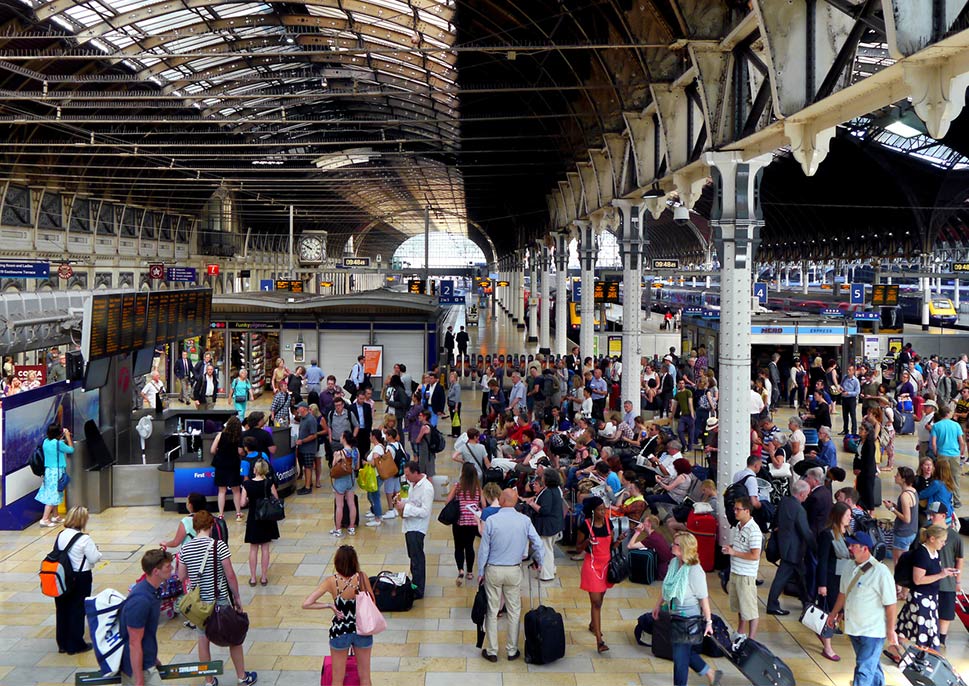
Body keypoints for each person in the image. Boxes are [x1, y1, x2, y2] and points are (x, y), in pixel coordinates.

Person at [177, 511, 256, 686]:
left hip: (199, 605)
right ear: (211, 525)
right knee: (234, 638)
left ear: (195, 527)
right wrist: (236, 598)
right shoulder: (218, 546)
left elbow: (181, 576)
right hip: (220, 600)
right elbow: (230, 575)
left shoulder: (185, 549)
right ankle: (242, 677)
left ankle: (209, 680)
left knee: (203, 640)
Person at [477, 488, 544, 662]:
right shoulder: (525, 520)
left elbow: (484, 549)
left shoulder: (491, 520)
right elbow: (537, 542)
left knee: (492, 610)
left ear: (501, 499)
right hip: (514, 569)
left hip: (493, 569)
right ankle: (512, 650)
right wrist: (539, 561)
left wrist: (480, 571)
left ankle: (492, 651)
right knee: (514, 610)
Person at [824, 531, 898, 686]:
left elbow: (891, 604)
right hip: (854, 629)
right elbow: (843, 594)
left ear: (865, 549)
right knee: (871, 665)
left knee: (864, 669)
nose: (849, 548)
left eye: (853, 545)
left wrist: (891, 630)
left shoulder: (880, 572)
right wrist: (833, 613)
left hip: (873, 632)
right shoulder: (849, 567)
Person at [653, 532, 723, 686]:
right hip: (675, 615)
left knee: (680, 657)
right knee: (683, 652)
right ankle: (711, 673)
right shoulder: (673, 563)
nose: (673, 545)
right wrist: (658, 605)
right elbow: (666, 587)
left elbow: (703, 598)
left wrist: (709, 622)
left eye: (676, 544)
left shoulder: (695, 571)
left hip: (688, 619)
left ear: (684, 548)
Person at [302, 545, 376, 686]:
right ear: (355, 561)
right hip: (362, 629)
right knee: (365, 676)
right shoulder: (362, 577)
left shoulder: (331, 582)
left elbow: (307, 603)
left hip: (340, 631)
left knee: (337, 678)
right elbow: (373, 602)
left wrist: (329, 605)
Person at [892, 524, 954, 656]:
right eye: (942, 541)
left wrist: (944, 573)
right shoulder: (922, 555)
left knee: (908, 626)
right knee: (921, 631)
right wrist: (941, 575)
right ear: (932, 539)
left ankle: (897, 649)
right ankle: (919, 655)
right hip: (921, 598)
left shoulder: (935, 553)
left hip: (930, 598)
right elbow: (918, 580)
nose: (943, 544)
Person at [51, 506, 101, 654]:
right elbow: (93, 557)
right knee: (77, 610)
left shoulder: (61, 534)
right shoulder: (84, 539)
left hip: (61, 576)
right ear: (83, 520)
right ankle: (76, 644)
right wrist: (99, 553)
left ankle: (62, 643)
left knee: (62, 608)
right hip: (80, 577)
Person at [120, 549, 174, 686]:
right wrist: (139, 680)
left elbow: (146, 634)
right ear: (156, 571)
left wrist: (153, 658)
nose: (172, 568)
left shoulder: (153, 591)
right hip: (138, 668)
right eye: (168, 566)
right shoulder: (141, 600)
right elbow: (134, 642)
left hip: (147, 661)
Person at [575, 496, 619, 653]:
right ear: (593, 511)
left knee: (600, 599)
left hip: (606, 565)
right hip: (592, 566)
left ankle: (593, 624)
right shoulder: (585, 526)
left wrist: (619, 541)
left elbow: (611, 546)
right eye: (600, 509)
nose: (604, 512)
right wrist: (587, 541)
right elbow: (578, 548)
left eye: (604, 509)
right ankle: (599, 641)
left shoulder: (609, 523)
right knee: (596, 602)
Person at [766, 480, 815, 615]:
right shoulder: (799, 509)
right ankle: (772, 604)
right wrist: (816, 548)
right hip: (794, 550)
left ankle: (806, 600)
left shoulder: (784, 502)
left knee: (800, 576)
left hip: (785, 546)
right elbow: (806, 532)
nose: (807, 496)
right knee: (782, 577)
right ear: (801, 494)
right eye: (806, 494)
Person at [923, 502, 964, 646]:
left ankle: (941, 638)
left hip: (947, 582)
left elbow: (959, 559)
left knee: (945, 612)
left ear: (943, 516)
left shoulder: (954, 536)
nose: (931, 517)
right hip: (929, 579)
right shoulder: (926, 532)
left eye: (934, 515)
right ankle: (929, 636)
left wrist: (958, 581)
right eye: (930, 514)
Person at [816, 502, 852, 662]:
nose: (850, 518)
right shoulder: (828, 534)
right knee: (830, 611)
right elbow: (822, 561)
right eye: (847, 515)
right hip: (831, 579)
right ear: (838, 516)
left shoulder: (847, 533)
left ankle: (825, 633)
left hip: (844, 578)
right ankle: (827, 646)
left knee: (840, 611)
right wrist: (822, 584)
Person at [722, 496, 761, 640]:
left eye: (738, 509)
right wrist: (730, 548)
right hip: (736, 571)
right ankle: (740, 631)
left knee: (750, 610)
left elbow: (755, 555)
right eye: (734, 509)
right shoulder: (739, 526)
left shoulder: (754, 530)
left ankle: (751, 639)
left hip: (746, 575)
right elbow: (741, 547)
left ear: (747, 510)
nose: (735, 512)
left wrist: (734, 552)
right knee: (739, 606)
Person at [394, 461, 434, 599]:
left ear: (416, 473)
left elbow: (425, 511)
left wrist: (405, 508)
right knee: (412, 557)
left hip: (418, 527)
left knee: (417, 559)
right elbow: (407, 498)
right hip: (409, 525)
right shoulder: (410, 484)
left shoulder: (427, 488)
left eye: (408, 474)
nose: (406, 477)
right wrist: (400, 502)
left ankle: (418, 589)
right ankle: (414, 584)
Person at [239, 459, 280, 586]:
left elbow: (242, 503)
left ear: (255, 470)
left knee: (253, 549)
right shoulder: (269, 483)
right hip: (267, 518)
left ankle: (252, 577)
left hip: (253, 518)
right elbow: (276, 498)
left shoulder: (247, 484)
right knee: (265, 548)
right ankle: (263, 577)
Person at [522, 469, 563, 582]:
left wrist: (532, 503)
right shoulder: (555, 490)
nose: (542, 477)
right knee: (549, 549)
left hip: (547, 526)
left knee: (545, 550)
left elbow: (544, 510)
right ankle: (551, 569)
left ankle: (546, 574)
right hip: (555, 524)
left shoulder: (548, 492)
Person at [446, 462, 483, 586]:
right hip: (472, 522)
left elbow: (447, 501)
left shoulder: (458, 486)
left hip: (459, 522)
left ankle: (461, 569)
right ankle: (470, 572)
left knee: (458, 547)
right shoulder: (478, 488)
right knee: (469, 546)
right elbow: (483, 504)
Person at [36, 422, 73, 527]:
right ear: (59, 433)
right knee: (52, 496)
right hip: (56, 471)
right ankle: (45, 519)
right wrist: (68, 436)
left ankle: (55, 515)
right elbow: (71, 449)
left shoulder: (46, 442)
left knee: (56, 493)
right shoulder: (58, 444)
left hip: (48, 471)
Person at [931, 404, 965, 507]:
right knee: (955, 478)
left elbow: (933, 443)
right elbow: (961, 442)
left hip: (942, 454)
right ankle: (957, 500)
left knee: (942, 477)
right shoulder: (956, 425)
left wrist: (936, 452)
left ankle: (943, 498)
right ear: (948, 414)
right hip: (955, 454)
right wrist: (961, 453)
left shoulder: (936, 426)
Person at [211, 416, 244, 520]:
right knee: (236, 490)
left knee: (222, 491)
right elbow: (240, 452)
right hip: (233, 465)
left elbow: (212, 450)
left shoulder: (220, 435)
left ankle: (221, 514)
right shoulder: (239, 437)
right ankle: (238, 513)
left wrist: (219, 452)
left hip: (221, 464)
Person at [885, 466, 919, 560]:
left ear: (903, 479)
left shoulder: (904, 496)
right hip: (912, 531)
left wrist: (891, 509)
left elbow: (907, 519)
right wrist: (896, 506)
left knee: (898, 563)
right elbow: (909, 509)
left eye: (897, 475)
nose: (895, 476)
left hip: (903, 533)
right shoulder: (913, 491)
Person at [329, 431, 359, 538]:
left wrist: (334, 457)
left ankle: (338, 529)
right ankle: (351, 527)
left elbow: (333, 466)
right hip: (351, 479)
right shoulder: (356, 451)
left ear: (344, 438)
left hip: (340, 480)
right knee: (351, 504)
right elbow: (356, 467)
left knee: (339, 505)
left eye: (341, 436)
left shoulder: (339, 453)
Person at [294, 402, 319, 495]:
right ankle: (308, 484)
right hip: (303, 448)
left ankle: (308, 487)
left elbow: (314, 435)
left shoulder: (310, 419)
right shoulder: (303, 418)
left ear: (304, 409)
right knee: (306, 467)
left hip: (309, 448)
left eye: (298, 408)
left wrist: (302, 441)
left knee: (308, 467)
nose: (297, 410)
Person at [363, 430, 386, 528]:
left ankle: (378, 517)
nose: (369, 438)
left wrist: (365, 463)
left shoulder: (377, 448)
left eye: (370, 436)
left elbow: (374, 463)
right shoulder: (379, 447)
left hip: (375, 475)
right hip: (375, 475)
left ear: (373, 437)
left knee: (375, 496)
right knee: (371, 495)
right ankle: (376, 513)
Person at [854, 421, 878, 512]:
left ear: (867, 432)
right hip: (860, 469)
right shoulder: (860, 441)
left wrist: (861, 470)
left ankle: (871, 511)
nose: (859, 431)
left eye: (862, 429)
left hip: (868, 471)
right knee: (859, 489)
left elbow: (868, 460)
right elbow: (857, 455)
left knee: (868, 491)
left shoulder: (870, 444)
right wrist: (855, 467)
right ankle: (861, 508)